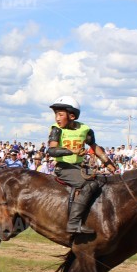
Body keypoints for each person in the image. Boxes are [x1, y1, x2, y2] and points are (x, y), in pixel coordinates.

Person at [42, 96, 116, 241]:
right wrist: (72, 151)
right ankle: (74, 223)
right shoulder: (57, 130)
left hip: (80, 167)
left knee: (102, 183)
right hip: (64, 168)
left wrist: (108, 163)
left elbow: (94, 147)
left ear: (72, 116)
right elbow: (51, 151)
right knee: (90, 185)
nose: (57, 118)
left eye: (60, 114)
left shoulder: (85, 130)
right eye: (56, 114)